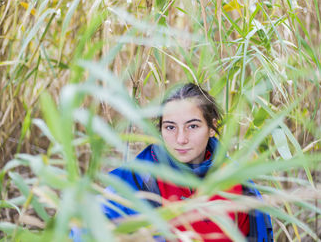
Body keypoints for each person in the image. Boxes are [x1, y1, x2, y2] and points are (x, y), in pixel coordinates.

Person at [73, 83, 273, 241]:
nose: (181, 139)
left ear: (212, 127)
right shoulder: (137, 179)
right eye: (170, 127)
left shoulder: (238, 184)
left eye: (192, 126)